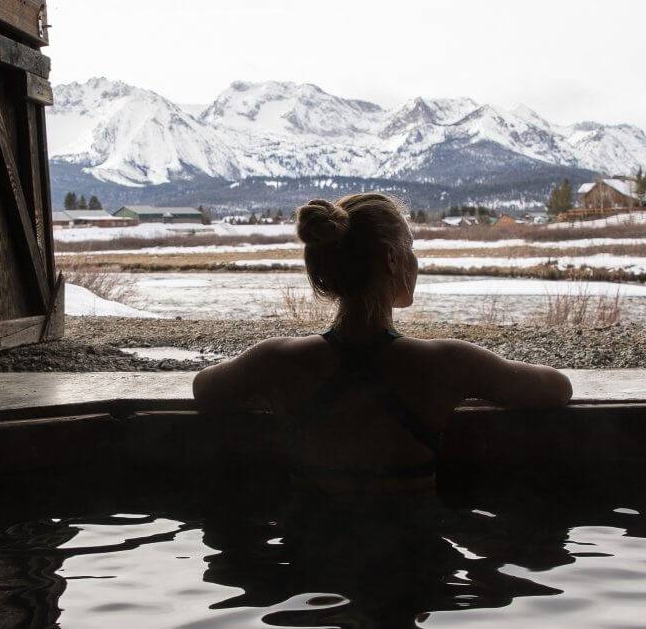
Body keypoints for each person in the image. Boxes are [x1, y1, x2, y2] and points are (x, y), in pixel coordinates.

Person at [193, 193, 572, 493]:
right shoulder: (449, 363)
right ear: (392, 259)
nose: (415, 259)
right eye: (411, 247)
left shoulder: (276, 360)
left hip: (309, 562)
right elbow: (557, 388)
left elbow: (204, 387)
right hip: (416, 565)